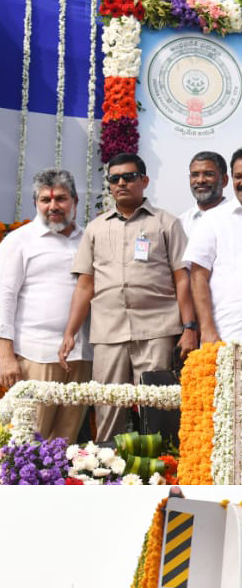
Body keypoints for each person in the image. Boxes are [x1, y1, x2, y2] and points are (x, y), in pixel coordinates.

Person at [60, 153, 196, 442]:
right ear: (109, 185)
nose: (121, 183)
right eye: (115, 178)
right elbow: (85, 285)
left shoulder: (166, 223)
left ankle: (164, 472)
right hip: (109, 332)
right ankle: (108, 472)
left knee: (157, 408)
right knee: (108, 406)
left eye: (129, 177)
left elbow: (182, 278)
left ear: (144, 181)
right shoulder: (96, 228)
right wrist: (70, 333)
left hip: (157, 330)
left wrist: (189, 328)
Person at [0, 169, 92, 441]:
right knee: (30, 440)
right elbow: (4, 297)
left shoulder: (89, 238)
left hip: (82, 354)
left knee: (67, 443)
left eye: (61, 199)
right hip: (36, 353)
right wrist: (5, 355)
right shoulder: (19, 241)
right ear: (36, 203)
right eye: (45, 200)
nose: (53, 206)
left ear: (74, 201)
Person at [185, 147, 242, 344]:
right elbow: (198, 276)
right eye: (239, 176)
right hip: (227, 334)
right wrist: (207, 329)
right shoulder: (213, 219)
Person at [178, 151, 229, 236]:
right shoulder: (180, 224)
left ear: (224, 180)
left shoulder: (240, 219)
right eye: (195, 175)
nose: (200, 180)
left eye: (208, 174)